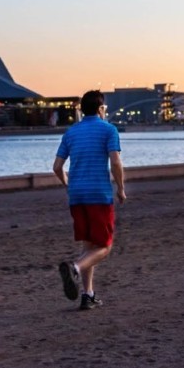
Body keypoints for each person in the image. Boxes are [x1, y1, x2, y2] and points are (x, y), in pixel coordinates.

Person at [53, 90, 126, 310]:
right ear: (101, 109)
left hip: (76, 195)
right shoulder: (109, 130)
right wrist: (121, 188)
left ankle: (88, 295)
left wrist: (68, 184)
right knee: (104, 246)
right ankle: (75, 268)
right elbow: (115, 163)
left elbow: (57, 167)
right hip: (98, 194)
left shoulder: (71, 132)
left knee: (89, 245)